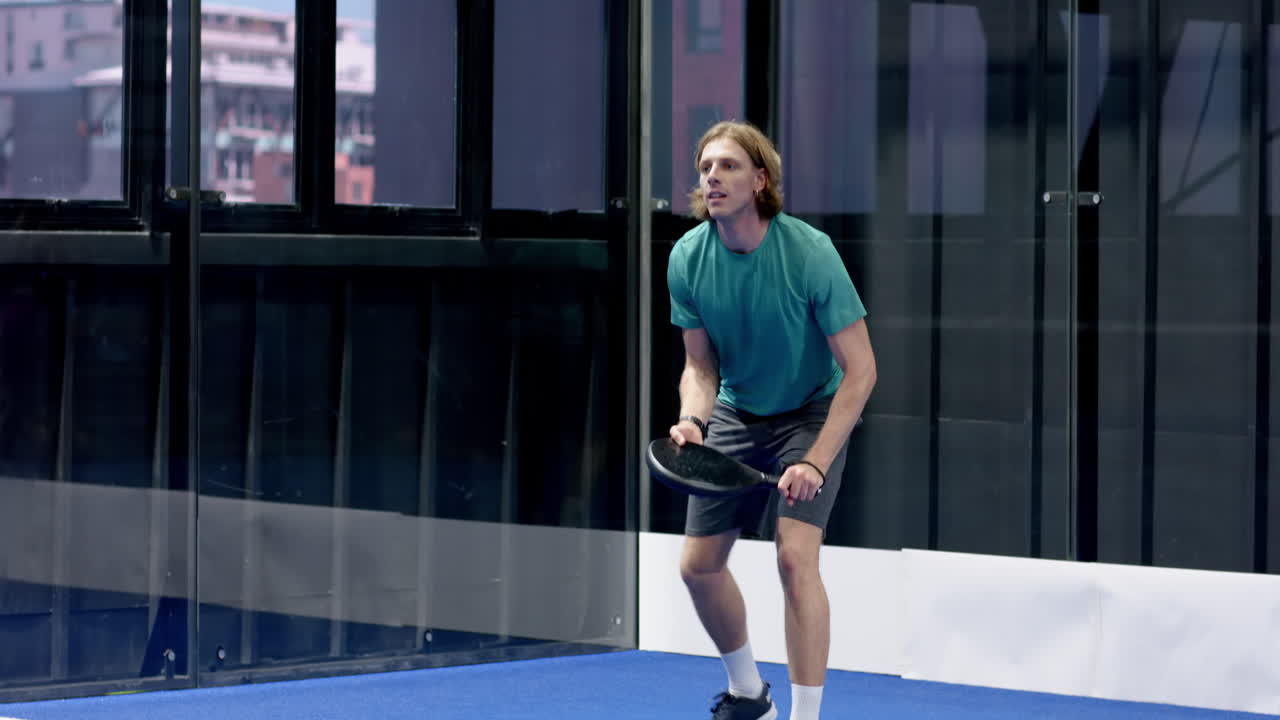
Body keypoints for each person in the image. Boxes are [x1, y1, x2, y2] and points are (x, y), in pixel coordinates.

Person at [666, 121, 876, 720]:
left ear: (760, 180)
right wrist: (693, 423)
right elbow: (700, 368)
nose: (713, 177)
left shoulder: (810, 253)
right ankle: (748, 694)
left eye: (728, 166)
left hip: (811, 408)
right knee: (698, 567)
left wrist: (814, 459)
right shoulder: (687, 258)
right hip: (736, 409)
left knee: (793, 556)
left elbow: (860, 371)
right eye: (706, 167)